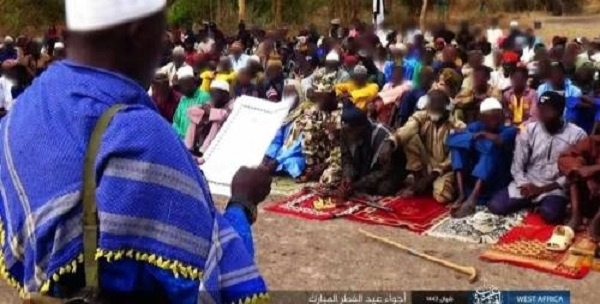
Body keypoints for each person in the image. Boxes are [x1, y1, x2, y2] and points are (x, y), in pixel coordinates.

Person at [0, 1, 270, 303]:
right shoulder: (142, 138)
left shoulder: (27, 109)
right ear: (138, 32)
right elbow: (212, 280)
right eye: (161, 29)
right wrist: (242, 202)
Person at [488, 92, 587, 224]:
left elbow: (574, 173)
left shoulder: (577, 135)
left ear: (560, 110)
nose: (542, 114)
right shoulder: (529, 130)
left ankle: (541, 202)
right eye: (540, 109)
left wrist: (542, 189)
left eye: (547, 110)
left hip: (554, 187)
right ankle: (531, 201)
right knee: (496, 206)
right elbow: (517, 165)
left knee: (551, 215)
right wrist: (525, 184)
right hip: (528, 183)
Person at [388, 90, 466, 203]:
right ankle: (418, 180)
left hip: (444, 169)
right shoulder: (421, 117)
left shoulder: (458, 126)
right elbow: (406, 130)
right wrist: (390, 142)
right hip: (426, 163)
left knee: (443, 197)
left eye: (438, 103)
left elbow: (453, 158)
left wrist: (433, 175)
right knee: (409, 137)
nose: (434, 106)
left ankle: (428, 184)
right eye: (432, 103)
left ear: (447, 106)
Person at [448, 98, 518, 218]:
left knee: (491, 149)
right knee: (457, 148)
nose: (493, 121)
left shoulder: (510, 130)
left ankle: (472, 200)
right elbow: (451, 139)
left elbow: (498, 141)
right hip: (473, 177)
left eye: (496, 116)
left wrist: (482, 135)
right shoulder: (476, 126)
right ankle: (461, 194)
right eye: (489, 117)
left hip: (496, 181)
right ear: (482, 118)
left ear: (501, 116)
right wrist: (473, 140)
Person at [341, 100, 405, 196]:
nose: (348, 135)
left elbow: (385, 170)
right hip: (366, 167)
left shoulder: (383, 136)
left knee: (382, 189)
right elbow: (346, 158)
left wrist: (358, 184)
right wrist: (348, 176)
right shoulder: (346, 134)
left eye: (351, 131)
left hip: (391, 168)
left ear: (361, 128)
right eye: (346, 131)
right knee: (340, 180)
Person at [264, 81, 314, 179]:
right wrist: (269, 156)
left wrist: (278, 160)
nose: (289, 97)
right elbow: (277, 140)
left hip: (297, 154)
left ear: (299, 94)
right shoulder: (285, 116)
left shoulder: (305, 115)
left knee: (294, 163)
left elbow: (299, 145)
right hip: (281, 153)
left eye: (292, 93)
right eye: (286, 94)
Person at [298, 77, 342, 186]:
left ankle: (322, 171)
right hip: (324, 152)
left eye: (321, 97)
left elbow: (341, 148)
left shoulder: (342, 113)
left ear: (332, 96)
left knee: (327, 181)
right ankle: (312, 169)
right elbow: (302, 122)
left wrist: (325, 164)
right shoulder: (319, 109)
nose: (318, 100)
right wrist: (321, 125)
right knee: (308, 131)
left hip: (340, 156)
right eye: (317, 96)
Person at [558, 134, 600, 240]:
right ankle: (576, 216)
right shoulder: (592, 141)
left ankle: (596, 221)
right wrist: (587, 176)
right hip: (589, 195)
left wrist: (593, 169)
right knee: (574, 169)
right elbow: (565, 159)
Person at [184, 80, 233, 156]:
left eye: (215, 93)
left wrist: (210, 112)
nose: (212, 96)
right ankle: (188, 147)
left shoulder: (232, 104)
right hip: (205, 135)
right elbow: (189, 111)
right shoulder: (211, 102)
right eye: (211, 93)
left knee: (216, 121)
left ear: (224, 95)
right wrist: (203, 110)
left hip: (223, 139)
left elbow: (225, 116)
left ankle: (203, 151)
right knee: (195, 119)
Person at [538, 62, 588, 132]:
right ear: (549, 75)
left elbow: (573, 113)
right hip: (545, 124)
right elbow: (541, 108)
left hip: (568, 126)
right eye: (553, 72)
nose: (556, 75)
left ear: (564, 74)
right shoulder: (541, 88)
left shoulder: (575, 91)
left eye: (558, 72)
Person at [172, 66, 210, 138]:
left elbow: (204, 124)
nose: (184, 87)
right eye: (182, 85)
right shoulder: (183, 100)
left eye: (187, 83)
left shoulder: (204, 97)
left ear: (193, 81)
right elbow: (176, 123)